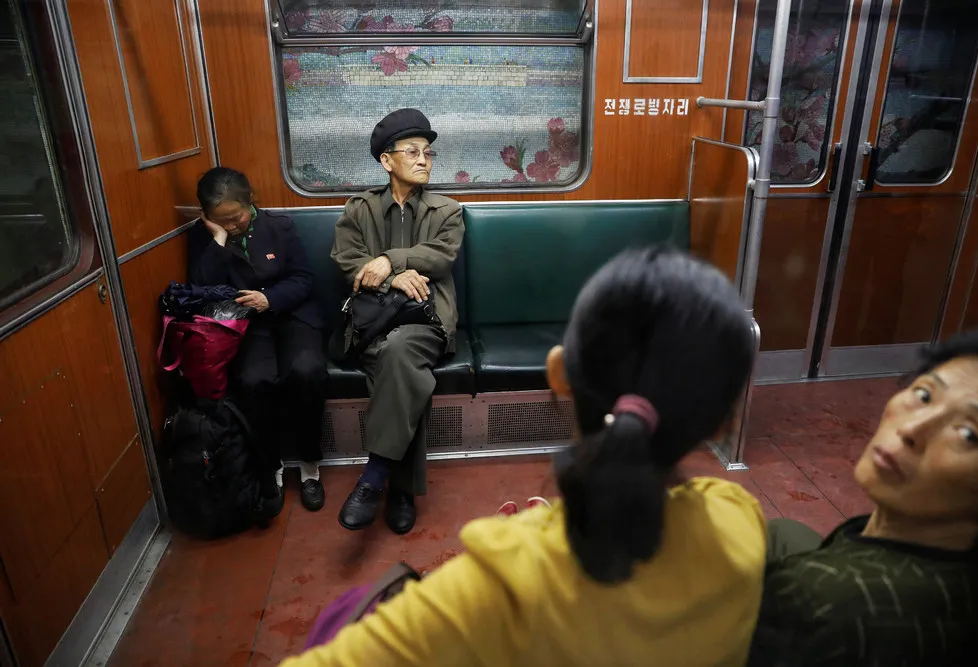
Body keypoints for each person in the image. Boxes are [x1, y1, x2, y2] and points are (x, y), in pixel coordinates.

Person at [279, 248, 766, 667]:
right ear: (728, 419)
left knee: (347, 609)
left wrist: (533, 537)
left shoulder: (504, 578)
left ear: (558, 374)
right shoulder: (741, 522)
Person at [748, 326, 978, 666]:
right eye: (925, 395)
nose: (912, 429)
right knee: (783, 533)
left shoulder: (816, 596)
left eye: (969, 435)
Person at [332, 109, 464, 535]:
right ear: (387, 161)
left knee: (402, 352)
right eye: (413, 151)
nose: (424, 159)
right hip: (371, 323)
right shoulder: (359, 210)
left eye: (429, 152)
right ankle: (401, 488)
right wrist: (394, 276)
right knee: (397, 365)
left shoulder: (447, 211)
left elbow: (440, 257)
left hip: (425, 319)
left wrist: (391, 259)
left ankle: (375, 479)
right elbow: (347, 261)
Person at [188, 167, 327, 513]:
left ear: (250, 202)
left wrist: (270, 298)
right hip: (246, 326)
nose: (234, 226)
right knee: (253, 380)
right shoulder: (204, 238)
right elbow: (201, 287)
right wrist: (219, 241)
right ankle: (272, 465)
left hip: (292, 314)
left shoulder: (280, 227)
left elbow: (304, 278)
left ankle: (310, 467)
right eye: (223, 222)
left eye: (236, 218)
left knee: (306, 371)